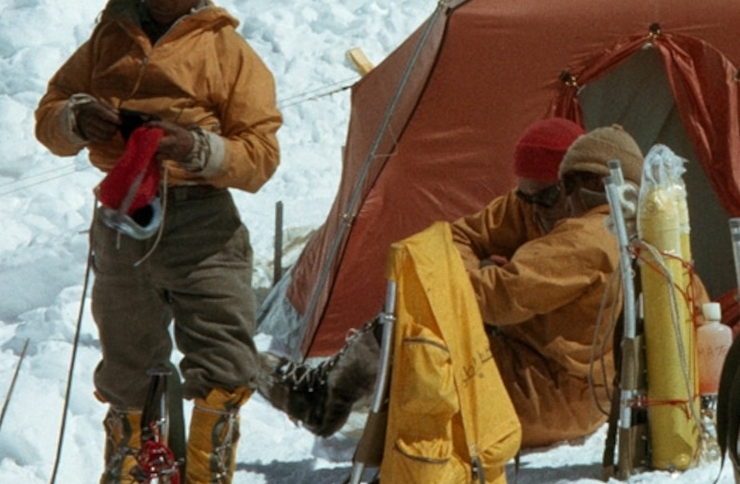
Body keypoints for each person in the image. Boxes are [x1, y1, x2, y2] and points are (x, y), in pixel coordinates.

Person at [35, 0, 288, 484]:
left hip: (201, 218)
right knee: (128, 367)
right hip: (124, 213)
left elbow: (260, 156)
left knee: (224, 362)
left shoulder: (227, 53)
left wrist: (197, 147)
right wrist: (77, 118)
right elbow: (48, 116)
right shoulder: (110, 36)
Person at [267, 120, 643, 454]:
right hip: (529, 363)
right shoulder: (533, 207)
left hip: (555, 395)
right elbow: (455, 238)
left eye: (546, 197)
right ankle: (337, 394)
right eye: (526, 197)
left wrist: (450, 280)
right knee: (430, 311)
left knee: (424, 326)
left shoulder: (588, 238)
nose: (536, 209)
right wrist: (469, 267)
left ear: (574, 184)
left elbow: (495, 297)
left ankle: (333, 397)